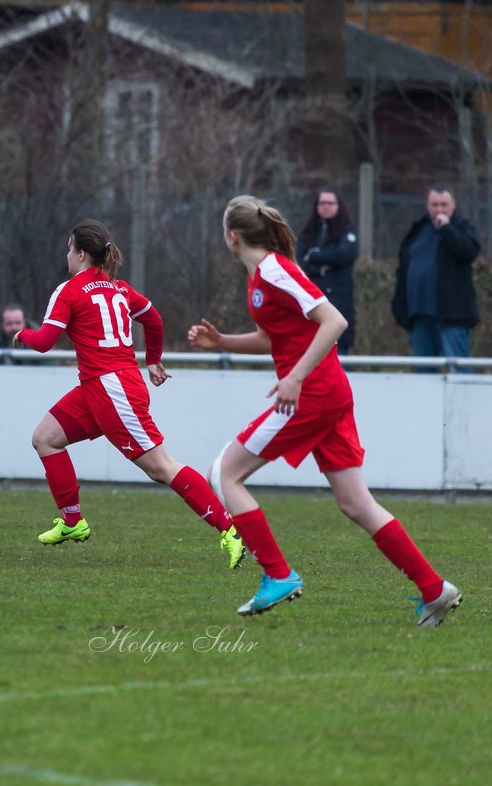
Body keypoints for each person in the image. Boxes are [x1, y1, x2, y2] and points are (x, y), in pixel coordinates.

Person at [189, 195, 462, 626]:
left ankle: (278, 575)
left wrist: (295, 377)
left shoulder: (275, 270)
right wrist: (224, 342)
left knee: (227, 473)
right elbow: (272, 338)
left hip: (311, 395)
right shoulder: (260, 277)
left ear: (232, 236)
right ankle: (435, 589)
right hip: (325, 394)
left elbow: (334, 321)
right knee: (355, 502)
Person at [14, 219, 246, 569]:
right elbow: (154, 320)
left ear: (79, 254)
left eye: (68, 248)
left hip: (112, 390)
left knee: (163, 468)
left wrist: (22, 335)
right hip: (103, 386)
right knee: (45, 438)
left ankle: (229, 529)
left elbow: (44, 342)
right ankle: (73, 522)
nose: (67, 255)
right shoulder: (120, 289)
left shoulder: (70, 291)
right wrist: (152, 361)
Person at [391, 186, 481, 363]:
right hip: (419, 317)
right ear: (427, 205)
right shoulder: (417, 230)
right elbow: (404, 266)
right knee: (424, 377)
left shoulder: (463, 227)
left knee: (458, 372)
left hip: (452, 319)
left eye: (444, 205)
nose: (439, 209)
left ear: (453, 205)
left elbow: (469, 252)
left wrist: (446, 229)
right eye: (434, 205)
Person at [296, 189, 358, 355]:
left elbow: (343, 255)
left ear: (338, 206)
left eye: (330, 203)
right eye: (322, 203)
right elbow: (298, 260)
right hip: (311, 305)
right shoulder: (309, 233)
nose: (326, 207)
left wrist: (314, 256)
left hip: (339, 303)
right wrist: (320, 266)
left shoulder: (347, 231)